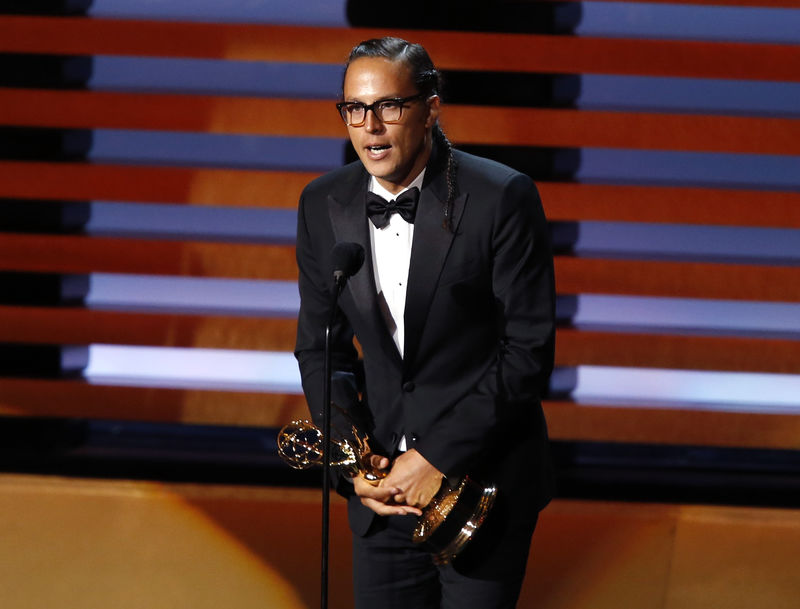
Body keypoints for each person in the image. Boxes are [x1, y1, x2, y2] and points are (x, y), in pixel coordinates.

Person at [294, 36, 555, 609]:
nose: (371, 127)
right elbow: (321, 349)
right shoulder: (323, 204)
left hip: (482, 492)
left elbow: (527, 353)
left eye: (390, 106)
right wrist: (352, 460)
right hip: (380, 498)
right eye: (355, 110)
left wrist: (433, 457)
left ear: (431, 108)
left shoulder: (500, 198)